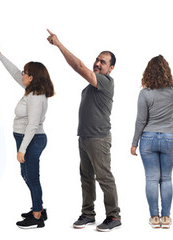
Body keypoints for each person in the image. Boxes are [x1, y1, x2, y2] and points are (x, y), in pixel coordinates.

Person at [45, 29, 121, 232]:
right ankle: (88, 214)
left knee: (104, 177)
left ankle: (114, 216)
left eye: (103, 62)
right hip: (85, 138)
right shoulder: (90, 87)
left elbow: (79, 66)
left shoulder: (106, 82)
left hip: (99, 138)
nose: (97, 63)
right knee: (86, 178)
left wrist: (59, 44)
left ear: (111, 68)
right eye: (97, 59)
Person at [0, 40, 55, 229]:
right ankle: (39, 207)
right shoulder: (31, 89)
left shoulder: (36, 96)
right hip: (26, 139)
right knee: (26, 175)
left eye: (25, 73)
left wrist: (22, 149)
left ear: (32, 78)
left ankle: (37, 216)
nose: (22, 74)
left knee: (32, 177)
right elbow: (15, 72)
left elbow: (32, 125)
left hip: (32, 140)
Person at [130, 44, 173, 229]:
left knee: (151, 179)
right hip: (169, 138)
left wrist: (134, 143)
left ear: (148, 73)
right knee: (166, 179)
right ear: (166, 71)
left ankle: (154, 218)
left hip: (148, 139)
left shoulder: (145, 94)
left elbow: (140, 121)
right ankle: (166, 218)